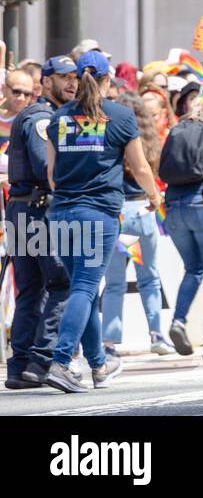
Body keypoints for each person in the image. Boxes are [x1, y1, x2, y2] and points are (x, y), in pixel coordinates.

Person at [42, 50, 163, 394]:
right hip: (98, 213)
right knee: (83, 288)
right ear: (108, 78)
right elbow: (139, 167)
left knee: (84, 289)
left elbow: (51, 175)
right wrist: (154, 197)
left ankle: (98, 364)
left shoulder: (59, 118)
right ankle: (62, 361)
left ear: (77, 79)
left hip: (62, 212)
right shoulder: (121, 116)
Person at [3, 56, 78, 389]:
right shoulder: (42, 118)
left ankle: (20, 366)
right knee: (59, 284)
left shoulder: (40, 116)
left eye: (74, 77)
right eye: (63, 77)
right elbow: (43, 166)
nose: (71, 84)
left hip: (24, 211)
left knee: (31, 289)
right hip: (37, 212)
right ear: (45, 82)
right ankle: (41, 360)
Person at [101, 93, 174, 357]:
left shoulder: (110, 135)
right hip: (142, 208)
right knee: (150, 277)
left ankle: (109, 342)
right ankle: (156, 333)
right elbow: (146, 170)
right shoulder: (147, 138)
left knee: (114, 283)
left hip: (118, 212)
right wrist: (154, 196)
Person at [162, 92, 203, 360]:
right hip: (201, 203)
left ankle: (178, 321)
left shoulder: (175, 132)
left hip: (174, 206)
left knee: (192, 269)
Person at [0, 66, 36, 152]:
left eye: (27, 94)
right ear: (3, 89)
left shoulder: (30, 122)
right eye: (16, 92)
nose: (21, 98)